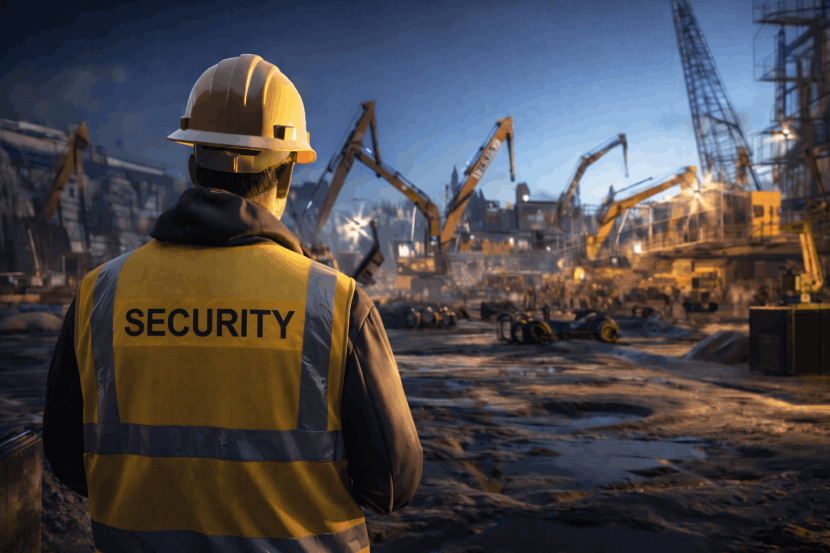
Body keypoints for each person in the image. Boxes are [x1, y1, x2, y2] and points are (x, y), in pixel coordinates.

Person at [42, 54, 422, 553]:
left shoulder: (100, 295)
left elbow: (69, 460)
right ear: (285, 176)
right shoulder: (337, 304)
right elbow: (393, 484)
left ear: (192, 163)